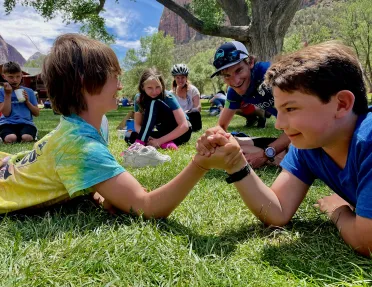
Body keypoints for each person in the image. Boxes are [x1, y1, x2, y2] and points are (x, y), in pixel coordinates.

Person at [0, 33, 240, 216]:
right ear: (86, 83)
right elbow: (147, 206)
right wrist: (200, 164)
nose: (120, 86)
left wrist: (96, 190)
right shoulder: (82, 147)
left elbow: (69, 168)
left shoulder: (92, 124)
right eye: (115, 77)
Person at [197, 41, 372, 257]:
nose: (278, 124)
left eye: (290, 108)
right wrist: (236, 162)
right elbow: (276, 211)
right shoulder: (308, 146)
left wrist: (337, 210)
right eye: (279, 111)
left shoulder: (368, 139)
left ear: (342, 104)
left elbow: (367, 240)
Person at [210, 41, 291, 168]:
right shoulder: (234, 91)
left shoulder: (270, 75)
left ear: (250, 62)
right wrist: (215, 140)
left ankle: (280, 155)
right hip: (290, 133)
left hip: (306, 129)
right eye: (227, 76)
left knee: (293, 154)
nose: (235, 81)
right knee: (229, 144)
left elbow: (302, 123)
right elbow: (221, 125)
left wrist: (264, 155)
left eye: (239, 70)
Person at [129, 67, 192, 150]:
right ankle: (166, 144)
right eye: (150, 88)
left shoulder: (168, 97)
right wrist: (150, 138)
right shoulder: (139, 98)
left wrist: (158, 141)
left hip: (182, 134)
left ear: (162, 85)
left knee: (154, 103)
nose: (154, 91)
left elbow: (184, 126)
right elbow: (137, 125)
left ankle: (140, 142)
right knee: (130, 136)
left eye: (158, 87)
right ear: (142, 87)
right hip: (164, 133)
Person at [0, 61, 40, 143]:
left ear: (22, 75)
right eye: (11, 77)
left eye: (18, 76)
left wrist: (27, 102)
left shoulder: (29, 92)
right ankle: (10, 135)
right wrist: (7, 95)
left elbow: (36, 113)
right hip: (7, 123)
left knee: (27, 137)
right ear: (4, 77)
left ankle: (24, 135)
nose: (15, 80)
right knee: (10, 138)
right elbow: (6, 113)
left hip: (26, 123)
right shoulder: (1, 92)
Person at [171, 64, 202, 132]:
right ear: (174, 78)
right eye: (178, 78)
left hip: (191, 119)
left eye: (182, 77)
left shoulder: (193, 90)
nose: (180, 80)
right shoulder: (171, 93)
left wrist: (184, 114)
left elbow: (198, 108)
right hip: (178, 121)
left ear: (186, 78)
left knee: (195, 111)